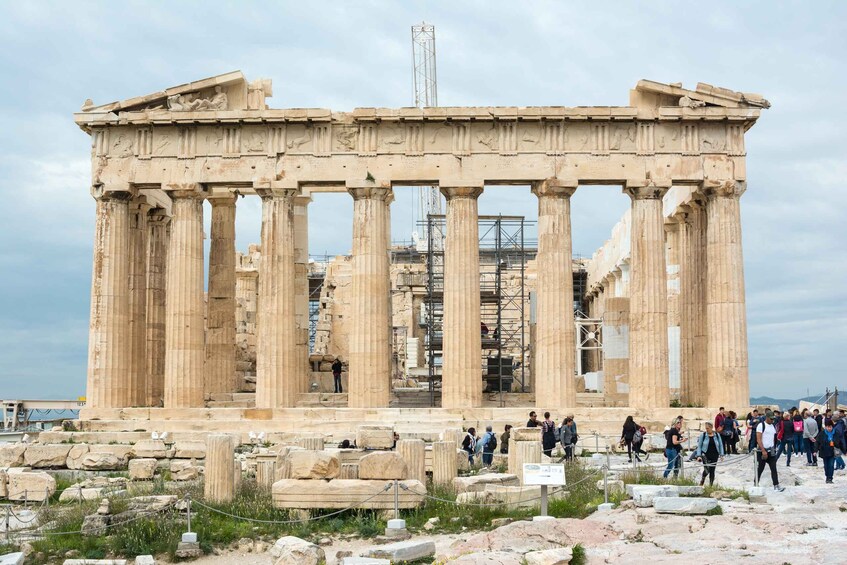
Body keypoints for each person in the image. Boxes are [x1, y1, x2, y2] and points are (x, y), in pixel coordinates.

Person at [756, 411, 786, 491]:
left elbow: (773, 438)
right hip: (763, 450)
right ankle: (756, 483)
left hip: (771, 449)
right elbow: (758, 439)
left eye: (773, 419)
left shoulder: (772, 426)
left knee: (773, 468)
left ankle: (776, 485)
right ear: (767, 417)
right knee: (760, 468)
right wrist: (763, 450)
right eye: (771, 419)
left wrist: (774, 448)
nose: (772, 420)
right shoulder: (761, 425)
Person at [817, 419, 845, 484]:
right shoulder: (822, 433)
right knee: (826, 465)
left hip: (832, 452)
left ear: (832, 426)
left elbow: (840, 442)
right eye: (827, 427)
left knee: (831, 465)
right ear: (825, 427)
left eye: (830, 427)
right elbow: (817, 442)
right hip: (824, 451)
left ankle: (830, 478)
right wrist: (815, 450)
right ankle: (827, 476)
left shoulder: (836, 433)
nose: (829, 428)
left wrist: (844, 450)